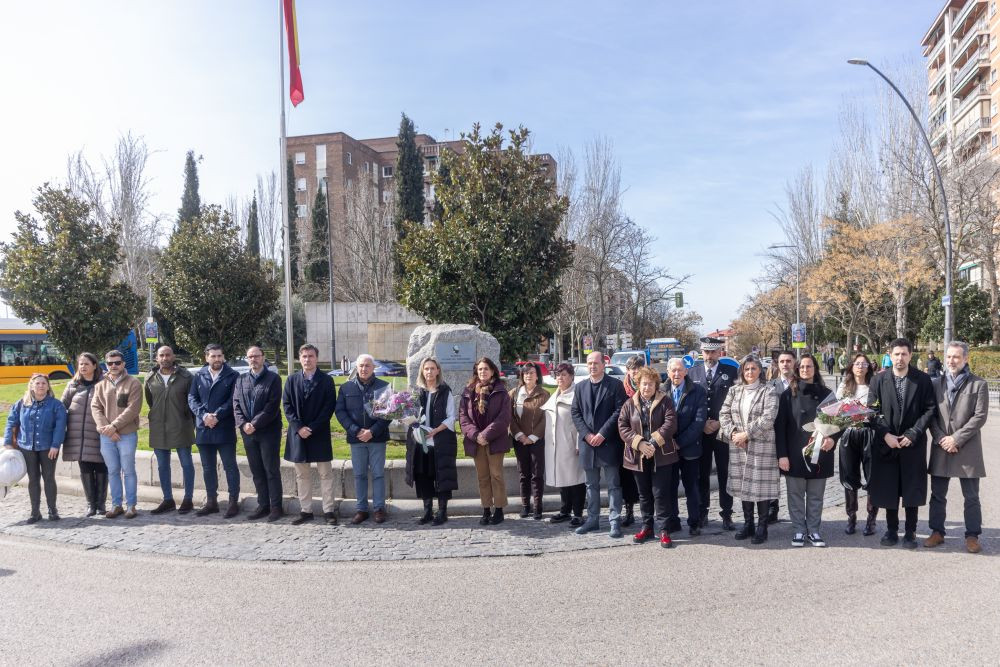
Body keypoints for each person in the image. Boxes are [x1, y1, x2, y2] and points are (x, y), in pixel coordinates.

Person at [867, 337, 936, 549]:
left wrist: (914, 433)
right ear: (889, 355)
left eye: (904, 354)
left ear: (910, 355)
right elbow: (872, 411)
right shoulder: (878, 380)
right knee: (890, 488)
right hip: (886, 444)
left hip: (912, 444)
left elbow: (930, 409)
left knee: (911, 489)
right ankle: (891, 530)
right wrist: (885, 434)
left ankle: (910, 532)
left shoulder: (922, 380)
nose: (900, 358)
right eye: (896, 354)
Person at [926, 341, 989, 554]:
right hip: (941, 446)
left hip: (967, 448)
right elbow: (931, 415)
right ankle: (937, 532)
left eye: (956, 357)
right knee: (937, 494)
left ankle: (972, 536)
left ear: (965, 359)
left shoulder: (978, 384)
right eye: (949, 356)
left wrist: (956, 439)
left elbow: (979, 417)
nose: (952, 361)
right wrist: (942, 438)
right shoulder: (935, 384)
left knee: (971, 496)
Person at [775, 354, 836, 547]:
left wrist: (832, 439)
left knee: (816, 496)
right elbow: (780, 428)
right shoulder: (787, 395)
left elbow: (837, 423)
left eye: (809, 367)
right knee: (795, 495)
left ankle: (814, 530)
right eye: (801, 367)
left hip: (821, 453)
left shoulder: (827, 394)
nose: (805, 370)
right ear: (797, 369)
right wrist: (782, 455)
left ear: (815, 369)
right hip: (794, 454)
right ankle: (799, 530)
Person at [719, 356, 779, 545]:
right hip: (738, 445)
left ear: (760, 371)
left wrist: (747, 434)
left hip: (761, 445)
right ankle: (748, 524)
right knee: (744, 485)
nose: (750, 372)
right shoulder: (734, 390)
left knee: (760, 487)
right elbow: (724, 413)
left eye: (753, 368)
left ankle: (762, 526)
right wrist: (734, 433)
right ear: (742, 372)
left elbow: (768, 418)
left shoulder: (768, 391)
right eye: (746, 369)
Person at [618, 366, 679, 548]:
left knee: (661, 494)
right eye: (644, 384)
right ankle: (647, 527)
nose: (647, 388)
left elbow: (671, 423)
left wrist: (652, 443)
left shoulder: (665, 401)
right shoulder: (629, 404)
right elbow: (622, 426)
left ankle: (664, 530)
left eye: (651, 384)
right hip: (638, 456)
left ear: (656, 385)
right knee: (644, 495)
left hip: (661, 455)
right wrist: (640, 443)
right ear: (638, 384)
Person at [571, 351, 628, 538]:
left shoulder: (615, 386)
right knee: (591, 485)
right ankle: (592, 520)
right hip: (588, 445)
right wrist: (587, 435)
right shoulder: (580, 387)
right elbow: (576, 413)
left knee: (614, 484)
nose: (592, 366)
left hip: (608, 443)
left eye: (596, 363)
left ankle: (614, 521)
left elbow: (619, 411)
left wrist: (602, 433)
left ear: (604, 364)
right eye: (589, 363)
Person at [335, 353, 391, 524]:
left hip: (377, 438)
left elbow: (388, 414)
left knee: (378, 474)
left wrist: (372, 431)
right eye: (360, 366)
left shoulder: (384, 386)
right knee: (359, 475)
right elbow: (340, 412)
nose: (364, 369)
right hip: (356, 438)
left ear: (374, 368)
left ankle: (379, 509)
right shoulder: (346, 388)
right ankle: (361, 509)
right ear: (356, 367)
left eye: (367, 366)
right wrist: (355, 430)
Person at [3, 373, 66, 523]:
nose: (40, 386)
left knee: (49, 478)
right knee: (33, 479)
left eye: (43, 383)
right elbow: (11, 422)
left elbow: (60, 426)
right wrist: (7, 442)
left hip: (48, 448)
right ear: (31, 385)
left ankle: (52, 510)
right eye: (37, 383)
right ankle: (35, 512)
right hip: (27, 447)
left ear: (48, 386)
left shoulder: (56, 405)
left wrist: (55, 445)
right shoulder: (21, 404)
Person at [187, 343, 240, 518]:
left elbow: (233, 400)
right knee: (208, 467)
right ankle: (211, 501)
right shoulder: (199, 375)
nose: (217, 359)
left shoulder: (233, 375)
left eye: (219, 356)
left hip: (223, 427)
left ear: (223, 357)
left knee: (230, 466)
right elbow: (192, 398)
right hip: (204, 428)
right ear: (206, 357)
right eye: (213, 356)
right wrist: (204, 416)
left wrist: (217, 415)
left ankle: (233, 502)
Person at [287, 344, 338, 524]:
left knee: (326, 474)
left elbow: (329, 407)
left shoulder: (326, 380)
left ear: (317, 358)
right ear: (299, 359)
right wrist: (299, 427)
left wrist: (313, 427)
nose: (307, 359)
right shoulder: (291, 380)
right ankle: (305, 510)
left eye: (311, 356)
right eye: (304, 356)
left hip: (319, 432)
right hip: (298, 434)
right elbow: (287, 406)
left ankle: (329, 510)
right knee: (302, 475)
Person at [404, 357, 458, 525]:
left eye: (432, 368)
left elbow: (451, 417)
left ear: (438, 371)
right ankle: (427, 510)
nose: (429, 372)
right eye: (426, 369)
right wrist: (406, 419)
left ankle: (442, 512)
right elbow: (410, 414)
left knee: (441, 475)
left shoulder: (445, 391)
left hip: (440, 441)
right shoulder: (417, 392)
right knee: (423, 476)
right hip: (420, 442)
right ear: (422, 371)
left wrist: (436, 430)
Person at [459, 357, 512, 525]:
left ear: (493, 371)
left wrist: (486, 435)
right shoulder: (469, 391)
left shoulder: (501, 391)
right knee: (482, 477)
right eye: (480, 369)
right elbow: (463, 418)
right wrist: (476, 435)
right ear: (476, 371)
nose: (483, 372)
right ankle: (486, 509)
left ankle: (499, 509)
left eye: (486, 369)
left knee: (496, 475)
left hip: (494, 440)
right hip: (476, 441)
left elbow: (503, 418)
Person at [233, 345, 284, 522]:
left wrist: (254, 423)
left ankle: (276, 506)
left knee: (271, 469)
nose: (253, 359)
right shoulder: (241, 379)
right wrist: (243, 424)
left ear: (263, 357)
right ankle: (263, 505)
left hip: (268, 431)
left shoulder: (273, 378)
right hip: (247, 432)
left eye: (256, 356)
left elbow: (272, 406)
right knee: (256, 470)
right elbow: (236, 404)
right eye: (250, 357)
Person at [144, 344, 196, 515]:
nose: (165, 358)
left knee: (187, 464)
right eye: (161, 355)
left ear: (173, 356)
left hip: (181, 425)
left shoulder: (186, 376)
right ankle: (168, 500)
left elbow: (191, 401)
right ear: (157, 358)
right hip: (159, 427)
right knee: (162, 466)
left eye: (168, 355)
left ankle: (188, 499)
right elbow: (150, 401)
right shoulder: (150, 377)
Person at [92, 350, 143, 519]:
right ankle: (116, 505)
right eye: (110, 363)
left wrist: (114, 426)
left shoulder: (134, 383)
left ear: (123, 364)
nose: (113, 366)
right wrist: (107, 428)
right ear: (105, 364)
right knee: (112, 470)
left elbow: (133, 409)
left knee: (128, 470)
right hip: (106, 436)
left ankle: (131, 505)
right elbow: (95, 408)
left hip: (127, 435)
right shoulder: (100, 385)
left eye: (117, 362)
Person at [695, 336, 738, 530]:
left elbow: (736, 403)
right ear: (701, 352)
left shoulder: (731, 372)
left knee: (724, 473)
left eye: (713, 352)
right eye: (706, 352)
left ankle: (727, 514)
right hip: (701, 432)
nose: (709, 356)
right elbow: (690, 403)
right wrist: (702, 423)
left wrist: (721, 422)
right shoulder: (692, 372)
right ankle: (703, 512)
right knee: (702, 474)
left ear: (720, 352)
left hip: (723, 432)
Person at [662, 357, 707, 537]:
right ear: (668, 372)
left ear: (686, 371)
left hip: (689, 449)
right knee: (670, 487)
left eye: (680, 370)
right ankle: (673, 521)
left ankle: (694, 522)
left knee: (692, 488)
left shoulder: (698, 391)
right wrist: (668, 442)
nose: (677, 373)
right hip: (668, 450)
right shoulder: (661, 391)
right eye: (673, 370)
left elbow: (698, 423)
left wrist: (679, 442)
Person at [60, 353, 107, 517]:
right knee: (85, 467)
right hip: (77, 436)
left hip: (98, 433)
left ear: (95, 365)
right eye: (80, 364)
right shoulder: (72, 385)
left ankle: (101, 503)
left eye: (86, 363)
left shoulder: (104, 383)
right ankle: (90, 504)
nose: (83, 367)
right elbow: (61, 407)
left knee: (101, 467)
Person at [837, 353, 878, 536]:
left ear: (869, 367)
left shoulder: (875, 385)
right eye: (857, 363)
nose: (860, 367)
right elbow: (836, 410)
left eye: (864, 364)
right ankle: (851, 517)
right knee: (849, 477)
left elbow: (879, 409)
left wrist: (870, 414)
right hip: (849, 433)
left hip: (869, 433)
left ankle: (871, 519)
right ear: (851, 366)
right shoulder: (844, 386)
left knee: (872, 476)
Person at [542, 362, 587, 526]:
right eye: (558, 375)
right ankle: (565, 510)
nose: (560, 378)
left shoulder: (577, 394)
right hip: (556, 444)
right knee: (562, 477)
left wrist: (579, 443)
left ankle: (578, 513)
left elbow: (582, 420)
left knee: (576, 478)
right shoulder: (555, 394)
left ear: (572, 376)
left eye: (564, 375)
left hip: (572, 443)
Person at [509, 362, 548, 519]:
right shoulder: (514, 393)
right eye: (525, 373)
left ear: (537, 375)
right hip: (520, 440)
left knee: (537, 474)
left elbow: (546, 418)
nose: (528, 375)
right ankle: (525, 505)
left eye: (531, 373)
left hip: (537, 440)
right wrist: (519, 435)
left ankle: (538, 507)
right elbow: (509, 417)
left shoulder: (544, 394)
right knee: (523, 474)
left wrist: (532, 437)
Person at [763, 349, 797, 525]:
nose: (785, 364)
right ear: (778, 364)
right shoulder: (770, 386)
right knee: (772, 476)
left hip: (796, 436)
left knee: (796, 476)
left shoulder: (801, 384)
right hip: (774, 436)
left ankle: (798, 511)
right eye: (782, 361)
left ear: (794, 363)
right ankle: (772, 508)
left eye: (788, 361)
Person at [617, 355, 647, 527]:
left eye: (638, 368)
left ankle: (648, 513)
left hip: (646, 440)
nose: (635, 371)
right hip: (626, 440)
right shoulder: (621, 389)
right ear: (627, 371)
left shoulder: (649, 385)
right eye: (632, 368)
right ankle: (629, 511)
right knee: (627, 479)